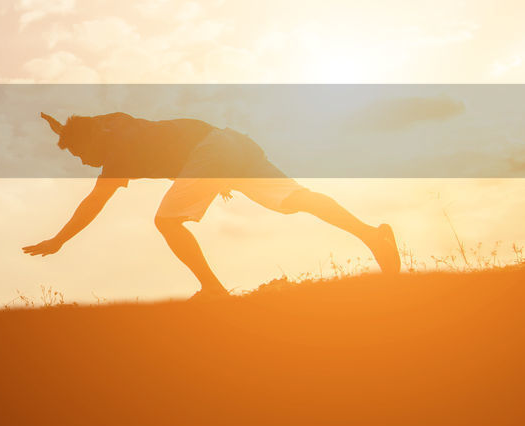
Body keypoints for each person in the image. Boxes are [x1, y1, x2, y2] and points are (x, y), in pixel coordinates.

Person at [21, 112, 400, 299]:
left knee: (167, 222)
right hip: (230, 142)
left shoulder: (116, 150)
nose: (83, 161)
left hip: (211, 151)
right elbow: (167, 143)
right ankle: (373, 235)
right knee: (292, 201)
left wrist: (59, 240)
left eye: (79, 152)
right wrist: (217, 171)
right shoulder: (123, 131)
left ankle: (213, 290)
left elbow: (94, 203)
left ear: (92, 138)